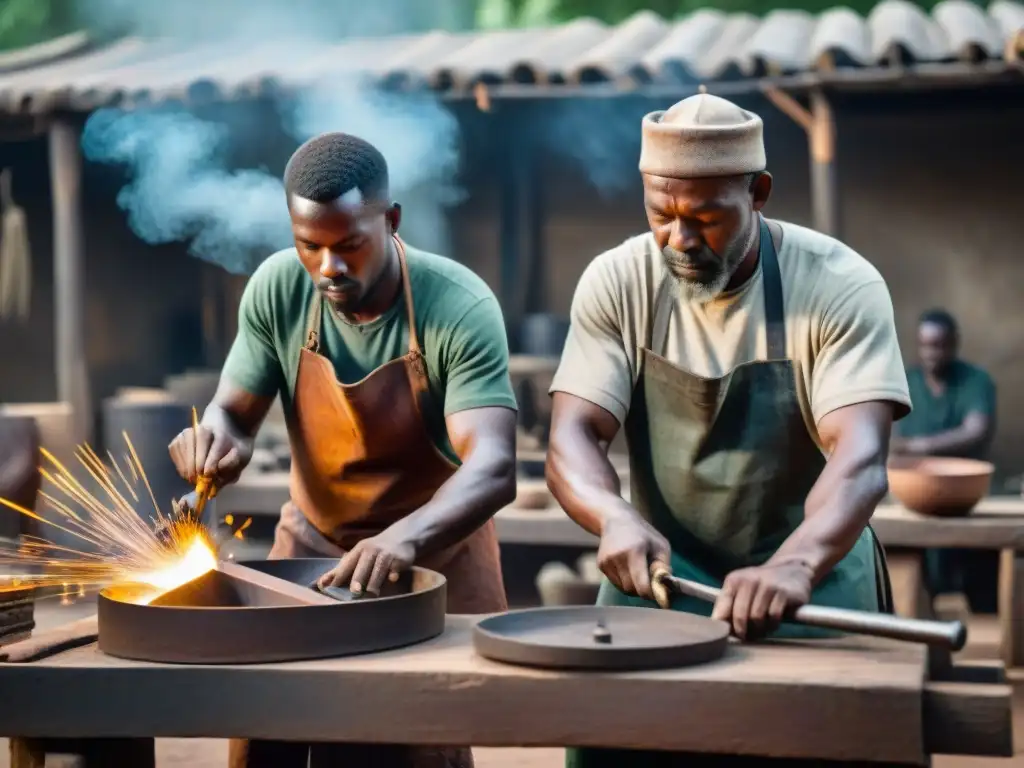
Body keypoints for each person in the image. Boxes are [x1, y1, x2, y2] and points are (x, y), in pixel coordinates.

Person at [545, 92, 912, 767]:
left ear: (759, 193)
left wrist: (795, 566)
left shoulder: (838, 283)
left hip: (813, 576)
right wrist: (611, 518)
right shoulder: (618, 280)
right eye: (662, 215)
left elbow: (859, 458)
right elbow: (573, 436)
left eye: (706, 218)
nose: (679, 240)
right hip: (663, 578)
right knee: (615, 739)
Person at [168, 132, 517, 768]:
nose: (329, 267)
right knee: (267, 723)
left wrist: (402, 540)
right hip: (312, 554)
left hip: (431, 561)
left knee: (411, 741)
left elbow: (492, 468)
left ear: (391, 220)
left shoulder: (457, 306)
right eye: (311, 246)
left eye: (350, 245)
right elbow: (235, 415)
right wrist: (216, 440)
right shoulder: (277, 289)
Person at [892, 309, 997, 612]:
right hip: (914, 496)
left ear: (954, 344)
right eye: (925, 345)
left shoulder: (975, 381)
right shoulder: (906, 380)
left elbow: (976, 430)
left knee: (980, 578)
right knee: (912, 576)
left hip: (965, 498)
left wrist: (918, 445)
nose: (931, 353)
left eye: (939, 345)